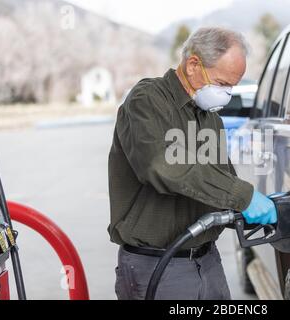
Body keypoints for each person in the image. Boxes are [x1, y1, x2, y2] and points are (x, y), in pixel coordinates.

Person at [108, 27, 277, 300]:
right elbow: (161, 165)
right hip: (158, 267)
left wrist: (262, 209)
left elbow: (222, 183)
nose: (227, 94)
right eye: (222, 84)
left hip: (208, 262)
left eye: (232, 86)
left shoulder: (211, 118)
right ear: (193, 64)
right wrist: (244, 197)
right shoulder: (147, 100)